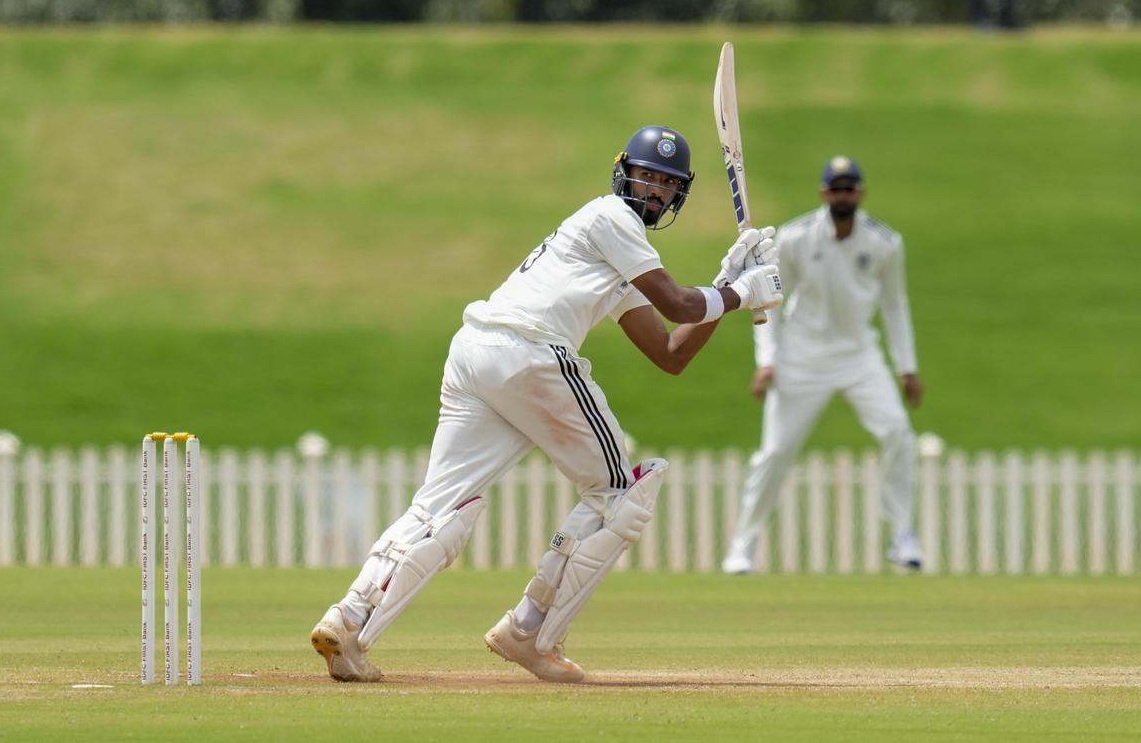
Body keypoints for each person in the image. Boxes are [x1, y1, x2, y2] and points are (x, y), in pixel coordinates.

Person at [311, 125, 783, 683]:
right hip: (529, 354)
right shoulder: (612, 216)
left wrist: (727, 283)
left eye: (667, 184)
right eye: (646, 176)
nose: (655, 191)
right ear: (624, 173)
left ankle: (349, 620)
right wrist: (743, 291)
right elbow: (680, 304)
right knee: (621, 493)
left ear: (679, 193)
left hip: (476, 356)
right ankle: (530, 631)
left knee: (441, 508)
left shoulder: (619, 250)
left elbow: (669, 352)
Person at [721, 155, 925, 575]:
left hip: (859, 354)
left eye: (849, 188)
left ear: (860, 193)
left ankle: (903, 533)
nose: (842, 195)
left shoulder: (885, 242)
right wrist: (767, 361)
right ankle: (743, 546)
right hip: (802, 356)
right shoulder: (796, 237)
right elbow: (771, 301)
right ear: (823, 193)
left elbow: (895, 305)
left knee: (898, 432)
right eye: (836, 189)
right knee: (776, 452)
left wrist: (906, 367)